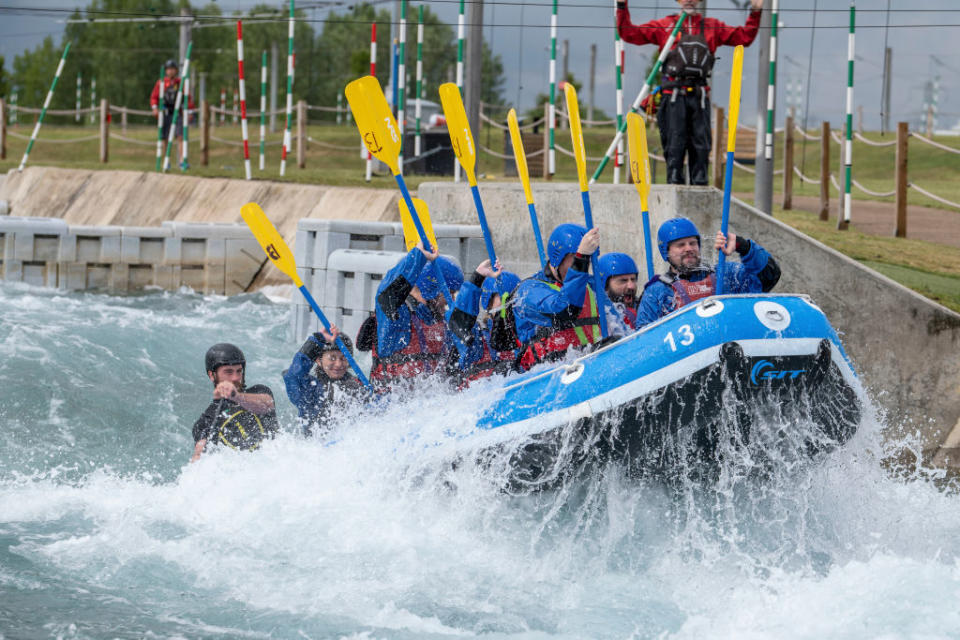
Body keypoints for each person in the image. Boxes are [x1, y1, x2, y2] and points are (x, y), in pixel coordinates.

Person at [616, 0, 763, 185]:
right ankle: (674, 187)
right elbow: (630, 33)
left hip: (699, 97)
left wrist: (756, 11)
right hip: (673, 96)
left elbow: (744, 37)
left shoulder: (712, 26)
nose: (690, 0)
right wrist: (622, 6)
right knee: (674, 146)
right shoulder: (666, 25)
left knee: (701, 147)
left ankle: (699, 190)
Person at [356, 243, 464, 389]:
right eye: (448, 293)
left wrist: (478, 279)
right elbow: (387, 292)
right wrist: (417, 256)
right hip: (391, 404)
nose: (452, 299)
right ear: (429, 289)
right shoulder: (396, 318)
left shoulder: (442, 322)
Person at [637, 217, 781, 325]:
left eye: (693, 243)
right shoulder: (656, 292)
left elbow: (769, 276)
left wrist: (743, 246)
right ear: (666, 252)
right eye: (681, 245)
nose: (689, 248)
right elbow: (644, 343)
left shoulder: (725, 275)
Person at [511, 224, 604, 371]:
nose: (584, 265)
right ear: (557, 258)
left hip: (587, 367)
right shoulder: (529, 290)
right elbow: (564, 311)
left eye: (587, 259)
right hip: (544, 376)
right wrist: (581, 260)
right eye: (576, 258)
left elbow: (620, 325)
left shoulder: (591, 286)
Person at [191, 343, 278, 462]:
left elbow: (267, 405)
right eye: (229, 372)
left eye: (239, 371)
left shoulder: (259, 392)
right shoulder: (206, 420)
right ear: (212, 375)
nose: (236, 378)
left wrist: (235, 396)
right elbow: (198, 457)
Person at [447, 260, 522, 383]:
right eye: (505, 298)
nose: (510, 304)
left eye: (515, 298)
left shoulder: (525, 334)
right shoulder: (477, 339)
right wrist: (477, 278)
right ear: (489, 302)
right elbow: (459, 319)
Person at [283, 326, 365, 438]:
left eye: (343, 358)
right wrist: (318, 340)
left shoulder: (358, 386)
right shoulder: (310, 388)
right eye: (332, 358)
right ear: (318, 360)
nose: (338, 364)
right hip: (317, 448)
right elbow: (293, 376)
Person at [150, 59, 191, 169]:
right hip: (165, 113)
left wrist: (190, 111)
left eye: (172, 69)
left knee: (180, 136)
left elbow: (188, 98)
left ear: (176, 70)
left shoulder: (180, 82)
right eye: (168, 69)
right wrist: (155, 108)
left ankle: (182, 161)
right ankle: (166, 161)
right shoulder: (161, 82)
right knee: (165, 138)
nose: (171, 71)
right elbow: (154, 97)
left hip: (178, 113)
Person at [598, 252, 640, 330]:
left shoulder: (643, 308)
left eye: (633, 279)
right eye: (623, 281)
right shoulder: (598, 315)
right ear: (605, 286)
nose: (631, 286)